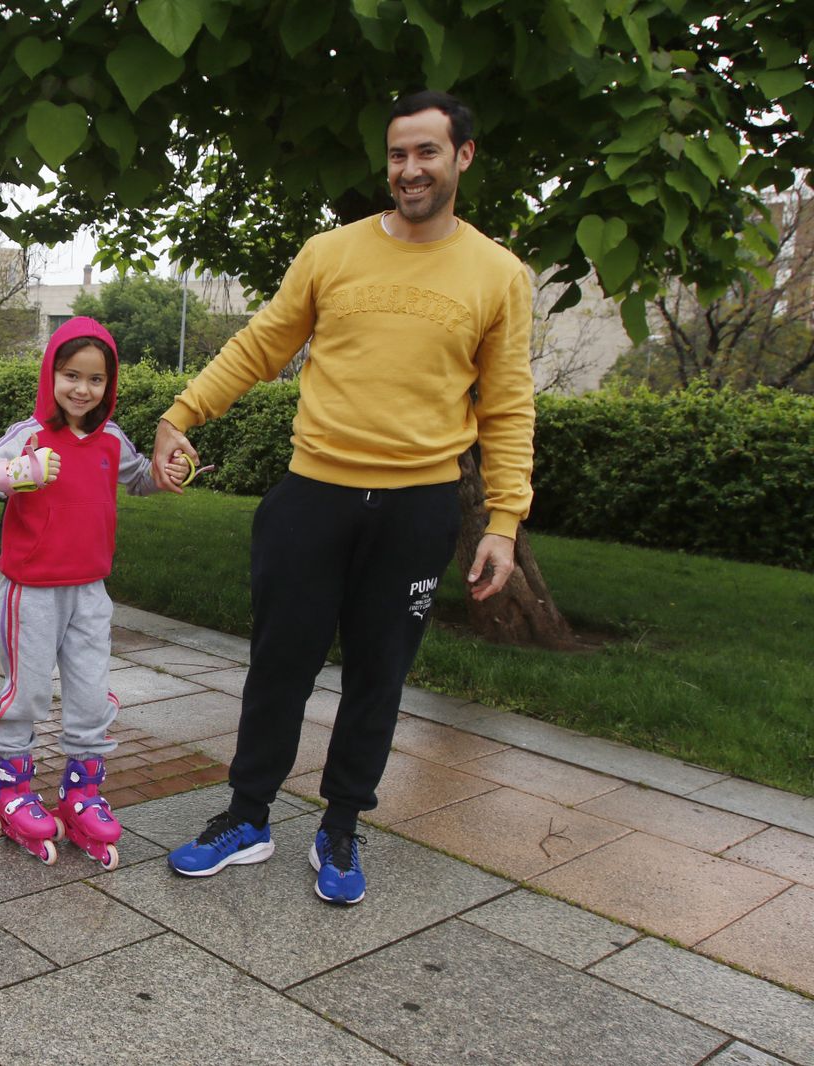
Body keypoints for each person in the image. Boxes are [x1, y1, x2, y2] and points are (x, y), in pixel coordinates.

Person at [155, 89, 536, 904]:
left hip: (417, 508)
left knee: (378, 675)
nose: (410, 170)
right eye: (399, 154)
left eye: (427, 153)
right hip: (312, 495)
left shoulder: (499, 275)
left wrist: (504, 520)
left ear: (462, 157)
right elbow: (262, 344)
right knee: (278, 664)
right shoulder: (331, 253)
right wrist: (181, 414)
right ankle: (247, 816)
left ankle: (340, 828)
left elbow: (507, 404)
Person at [0, 317, 188, 867]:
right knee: (27, 692)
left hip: (90, 592)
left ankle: (81, 792)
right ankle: (11, 790)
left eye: (97, 379)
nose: (83, 389)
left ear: (109, 384)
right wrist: (14, 474)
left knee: (90, 695)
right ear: (51, 374)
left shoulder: (110, 439)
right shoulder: (28, 436)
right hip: (31, 592)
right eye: (71, 375)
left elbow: (138, 477)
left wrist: (166, 471)